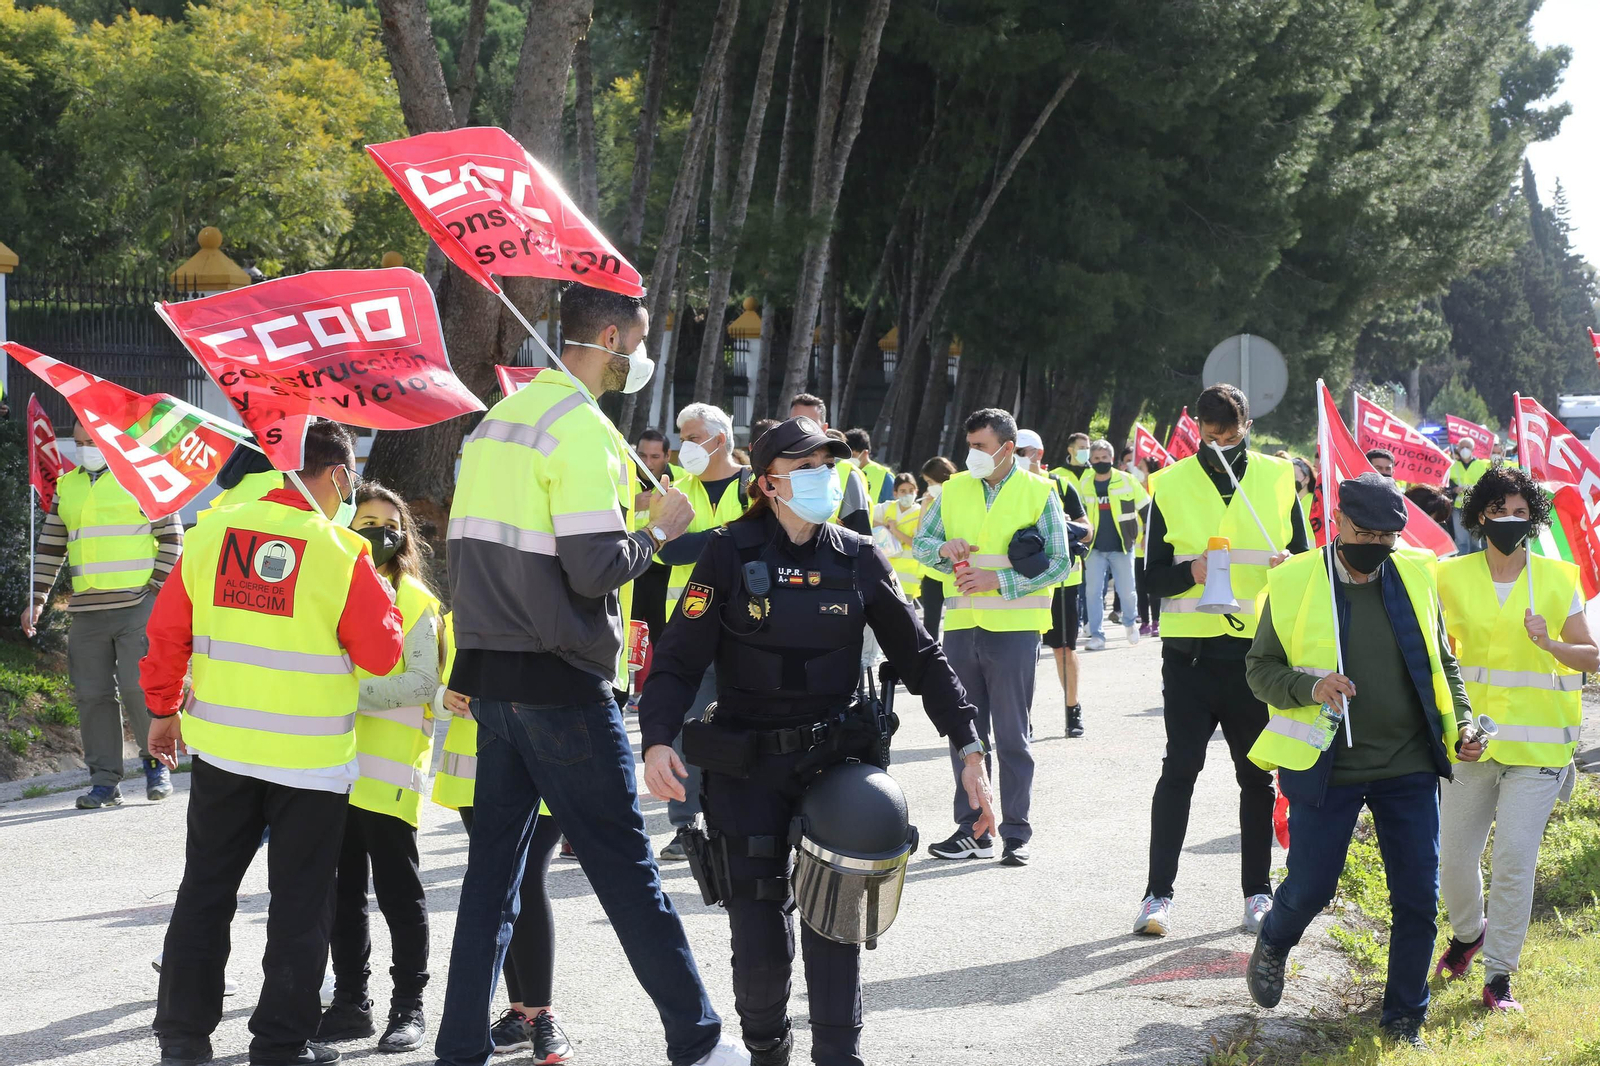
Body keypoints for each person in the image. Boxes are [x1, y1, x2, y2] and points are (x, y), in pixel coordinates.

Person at [440, 282, 742, 1066]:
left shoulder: (495, 423)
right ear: (609, 336)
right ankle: (700, 1042)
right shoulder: (580, 432)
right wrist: (661, 529)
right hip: (561, 682)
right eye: (637, 343)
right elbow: (593, 569)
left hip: (493, 681)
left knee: (491, 879)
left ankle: (458, 1047)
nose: (639, 359)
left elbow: (469, 556)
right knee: (626, 869)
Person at [638, 416, 996, 1066]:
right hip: (746, 770)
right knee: (759, 945)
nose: (822, 479)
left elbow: (922, 658)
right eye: (806, 468)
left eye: (827, 466)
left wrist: (969, 747)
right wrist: (657, 738)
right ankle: (767, 1050)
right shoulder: (726, 552)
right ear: (770, 483)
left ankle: (839, 1057)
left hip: (835, 768)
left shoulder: (859, 556)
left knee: (836, 933)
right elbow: (678, 659)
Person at [141, 419, 405, 1066]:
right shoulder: (342, 552)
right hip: (308, 765)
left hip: (223, 754)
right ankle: (279, 1046)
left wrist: (161, 711)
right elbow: (381, 656)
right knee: (299, 908)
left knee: (204, 892)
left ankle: (182, 1038)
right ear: (339, 475)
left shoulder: (212, 533)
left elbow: (167, 630)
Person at [1242, 473, 1479, 1048]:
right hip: (1327, 767)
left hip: (1408, 766)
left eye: (1387, 536)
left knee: (1419, 896)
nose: (1375, 545)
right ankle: (1276, 937)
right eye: (1365, 532)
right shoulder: (1294, 580)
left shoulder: (1417, 575)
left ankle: (1404, 1020)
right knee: (1312, 885)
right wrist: (1310, 686)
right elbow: (1259, 670)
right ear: (1338, 522)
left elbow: (1443, 663)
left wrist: (1465, 723)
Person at [1137, 384, 1307, 938]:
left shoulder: (1280, 479)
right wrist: (1190, 572)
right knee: (1178, 772)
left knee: (1255, 777)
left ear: (1247, 426)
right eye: (1211, 437)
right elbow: (1150, 577)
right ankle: (1157, 896)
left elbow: (1309, 564)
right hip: (1188, 657)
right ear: (1197, 431)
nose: (1221, 446)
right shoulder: (1170, 483)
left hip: (1256, 657)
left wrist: (1292, 565)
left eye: (1230, 436)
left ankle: (1257, 894)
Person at [1435, 466, 1598, 1014]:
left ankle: (1500, 974)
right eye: (1499, 511)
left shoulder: (1557, 577)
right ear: (1480, 515)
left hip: (1540, 748)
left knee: (1512, 861)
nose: (1509, 521)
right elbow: (1440, 661)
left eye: (1521, 513)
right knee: (1455, 860)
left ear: (1534, 519)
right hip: (1471, 744)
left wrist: (1549, 643)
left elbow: (1592, 657)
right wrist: (1455, 729)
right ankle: (1467, 933)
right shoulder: (1449, 577)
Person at [914, 408, 1073, 866]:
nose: (972, 455)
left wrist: (999, 584)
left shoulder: (1039, 491)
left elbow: (1060, 562)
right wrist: (943, 549)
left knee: (1011, 737)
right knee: (965, 735)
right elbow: (922, 545)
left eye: (981, 447)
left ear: (1006, 448)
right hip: (962, 628)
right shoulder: (953, 489)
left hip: (1015, 629)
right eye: (970, 446)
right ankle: (972, 830)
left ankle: (1015, 832)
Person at [317, 483, 443, 1053]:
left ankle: (408, 1008)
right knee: (340, 895)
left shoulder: (415, 600)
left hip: (388, 776)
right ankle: (350, 1004)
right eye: (365, 520)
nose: (376, 532)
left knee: (399, 894)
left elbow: (421, 682)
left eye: (389, 524)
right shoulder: (325, 586)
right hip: (330, 769)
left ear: (404, 537)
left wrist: (343, 691)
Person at [430, 617, 574, 1062]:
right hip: (474, 774)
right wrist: (443, 696)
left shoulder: (557, 610)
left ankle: (540, 1014)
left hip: (543, 762)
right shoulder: (454, 620)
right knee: (500, 888)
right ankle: (521, 1013)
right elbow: (430, 682)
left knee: (526, 878)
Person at [24, 421, 184, 808]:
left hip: (138, 606)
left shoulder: (143, 480)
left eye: (90, 442)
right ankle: (104, 782)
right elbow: (50, 547)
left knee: (139, 688)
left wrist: (154, 591)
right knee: (92, 697)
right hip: (87, 611)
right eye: (78, 443)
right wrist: (38, 597)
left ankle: (155, 765)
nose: (83, 449)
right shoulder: (68, 487)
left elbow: (173, 539)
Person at [655, 402, 752, 859]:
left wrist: (700, 539)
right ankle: (685, 823)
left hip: (746, 627)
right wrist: (723, 536)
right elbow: (664, 551)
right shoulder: (675, 490)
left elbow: (760, 541)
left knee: (743, 721)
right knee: (684, 726)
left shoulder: (754, 485)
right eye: (682, 436)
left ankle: (739, 816)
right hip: (690, 625)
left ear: (720, 438)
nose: (684, 446)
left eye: (693, 436)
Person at [1019, 430, 1091, 736]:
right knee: (1025, 652)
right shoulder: (1008, 487)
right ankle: (1024, 718)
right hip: (1024, 580)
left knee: (1064, 648)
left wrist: (1062, 524)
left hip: (1063, 581)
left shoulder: (1061, 485)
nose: (1017, 457)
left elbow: (1087, 530)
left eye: (1022, 451)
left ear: (1038, 453)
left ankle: (1072, 710)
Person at [629, 427, 681, 710]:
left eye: (655, 456)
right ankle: (625, 693)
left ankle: (660, 697)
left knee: (664, 640)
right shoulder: (622, 477)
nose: (647, 463)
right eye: (642, 455)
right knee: (629, 640)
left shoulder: (680, 481)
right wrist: (631, 505)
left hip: (664, 573)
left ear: (667, 456)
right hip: (630, 572)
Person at [1080, 438, 1146, 651]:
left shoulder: (1127, 480)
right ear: (1091, 460)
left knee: (1127, 590)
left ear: (1112, 458)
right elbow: (1078, 512)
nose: (1101, 461)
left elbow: (1146, 509)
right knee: (1092, 592)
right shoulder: (1085, 483)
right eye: (1096, 458)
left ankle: (1129, 623)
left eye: (1104, 458)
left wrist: (1146, 534)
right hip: (1094, 548)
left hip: (1122, 546)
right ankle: (1097, 635)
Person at [788, 394, 871, 536]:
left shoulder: (847, 473)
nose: (802, 429)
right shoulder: (775, 467)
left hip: (830, 555)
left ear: (824, 428)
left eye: (811, 423)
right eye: (797, 422)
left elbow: (860, 536)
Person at [917, 457, 957, 635]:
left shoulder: (960, 497)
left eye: (930, 482)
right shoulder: (932, 501)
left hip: (956, 572)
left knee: (956, 624)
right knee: (930, 624)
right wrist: (925, 504)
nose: (929, 486)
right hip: (932, 572)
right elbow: (921, 534)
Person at [1135, 456, 1165, 638]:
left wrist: (1148, 535)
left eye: (1141, 466)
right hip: (1137, 546)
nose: (1138, 469)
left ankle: (1156, 621)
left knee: (1154, 585)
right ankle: (1144, 621)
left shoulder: (1159, 486)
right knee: (1140, 586)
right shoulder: (1136, 486)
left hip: (1152, 545)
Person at [1447, 440, 1491, 554]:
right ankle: (1462, 567)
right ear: (1458, 448)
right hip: (1458, 508)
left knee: (1476, 541)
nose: (1465, 449)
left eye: (1468, 446)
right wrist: (1454, 489)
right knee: (1461, 541)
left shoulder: (1481, 465)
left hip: (1476, 508)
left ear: (1473, 449)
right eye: (1462, 447)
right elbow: (1446, 485)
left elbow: (1488, 484)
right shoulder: (1452, 466)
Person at [844, 427, 894, 503]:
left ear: (865, 453)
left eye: (853, 455)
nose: (849, 459)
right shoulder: (842, 471)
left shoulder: (884, 476)